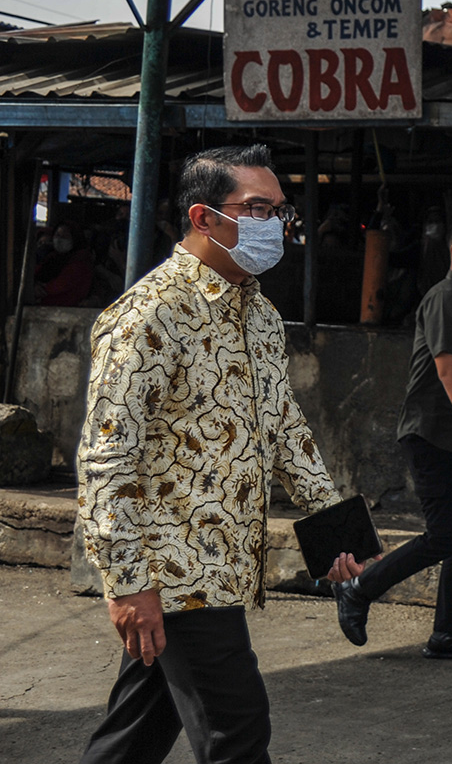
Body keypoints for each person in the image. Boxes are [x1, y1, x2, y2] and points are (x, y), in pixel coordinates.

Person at [76, 144, 356, 764]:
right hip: (174, 571)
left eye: (280, 211)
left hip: (225, 562)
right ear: (204, 218)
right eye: (257, 209)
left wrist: (338, 530)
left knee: (137, 732)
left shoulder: (257, 312)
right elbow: (107, 460)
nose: (275, 225)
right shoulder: (149, 316)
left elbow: (285, 429)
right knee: (238, 731)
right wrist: (127, 585)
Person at [330, 216, 452, 661]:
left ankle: (447, 633)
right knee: (446, 535)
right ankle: (358, 588)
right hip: (432, 433)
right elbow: (448, 373)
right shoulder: (445, 298)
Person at [35, 221, 94, 306]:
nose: (59, 239)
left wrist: (38, 290)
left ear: (74, 238)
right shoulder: (52, 257)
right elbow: (36, 271)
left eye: (65, 236)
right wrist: (34, 284)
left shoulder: (81, 260)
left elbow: (59, 286)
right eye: (57, 235)